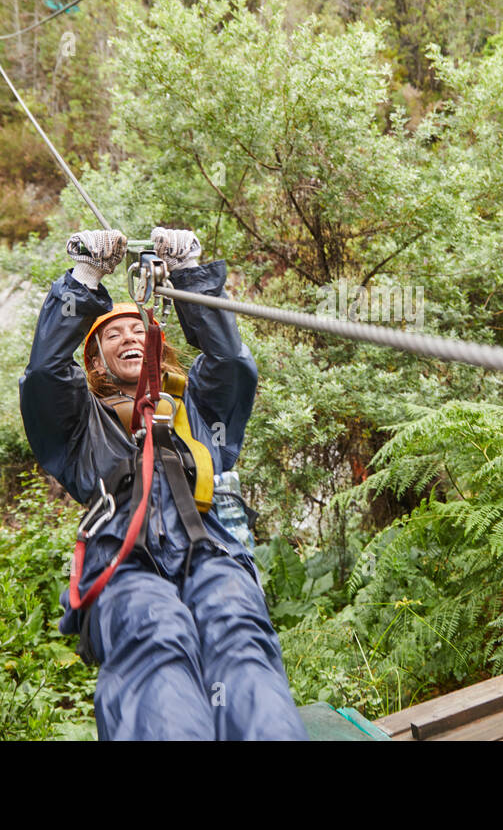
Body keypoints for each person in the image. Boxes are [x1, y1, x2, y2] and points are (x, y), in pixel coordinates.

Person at [19, 226, 308, 740]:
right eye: (113, 336)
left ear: (154, 343)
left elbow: (230, 361)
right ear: (97, 361)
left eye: (136, 331)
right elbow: (44, 372)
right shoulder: (78, 424)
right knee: (153, 638)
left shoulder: (197, 407)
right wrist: (84, 280)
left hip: (209, 546)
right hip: (122, 558)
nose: (128, 337)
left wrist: (192, 273)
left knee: (238, 637)